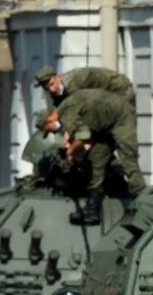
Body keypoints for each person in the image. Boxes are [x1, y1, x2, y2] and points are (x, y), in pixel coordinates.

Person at [36, 87, 146, 225]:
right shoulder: (63, 112)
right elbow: (80, 133)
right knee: (97, 159)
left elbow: (84, 137)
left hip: (121, 118)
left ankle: (144, 204)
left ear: (50, 122)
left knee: (128, 160)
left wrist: (70, 152)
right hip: (102, 127)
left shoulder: (66, 115)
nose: (51, 133)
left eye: (48, 130)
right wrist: (70, 143)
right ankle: (93, 210)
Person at [35, 65, 135, 106]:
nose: (51, 90)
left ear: (58, 77)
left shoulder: (76, 82)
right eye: (46, 88)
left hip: (120, 90)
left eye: (52, 84)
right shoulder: (57, 92)